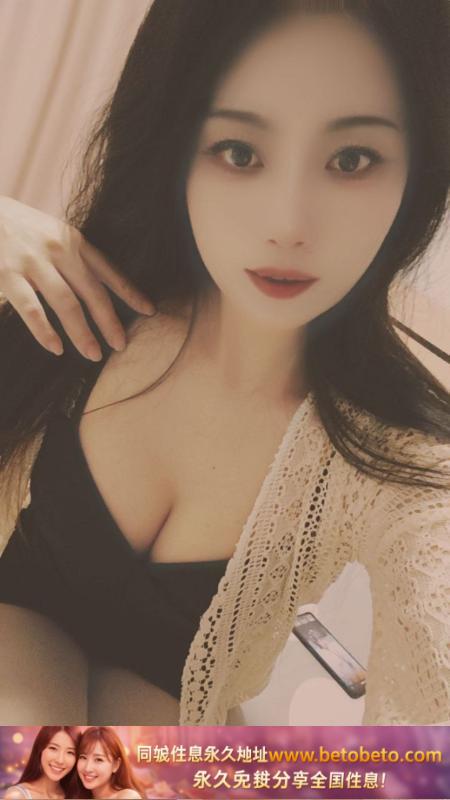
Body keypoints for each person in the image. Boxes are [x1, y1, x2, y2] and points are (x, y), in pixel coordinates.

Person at [0, 0, 449, 726]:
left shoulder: (396, 458)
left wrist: (230, 775)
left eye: (351, 160)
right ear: (175, 145)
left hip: (157, 749)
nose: (288, 224)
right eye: (239, 152)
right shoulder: (64, 301)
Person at [4, 727, 79, 799]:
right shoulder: (18, 795)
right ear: (40, 749)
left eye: (70, 752)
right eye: (53, 748)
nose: (60, 760)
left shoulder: (74, 795)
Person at [73, 728, 143, 800]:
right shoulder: (77, 795)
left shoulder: (127, 796)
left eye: (99, 759)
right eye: (83, 757)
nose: (87, 768)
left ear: (116, 765)